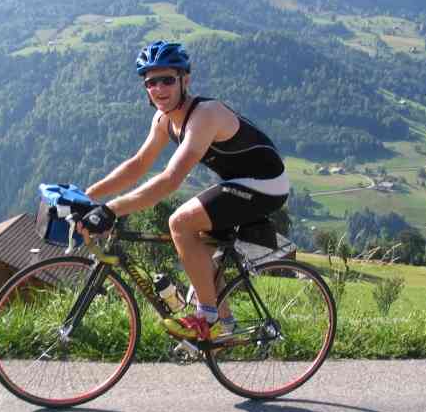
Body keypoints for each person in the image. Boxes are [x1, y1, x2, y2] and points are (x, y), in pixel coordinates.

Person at [79, 40, 289, 341]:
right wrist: (90, 196)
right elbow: (138, 164)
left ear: (184, 81)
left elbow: (170, 179)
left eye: (167, 79)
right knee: (201, 260)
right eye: (151, 82)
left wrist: (111, 210)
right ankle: (224, 331)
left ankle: (206, 316)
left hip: (266, 185)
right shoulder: (164, 120)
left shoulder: (205, 115)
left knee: (180, 222)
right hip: (238, 183)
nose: (159, 88)